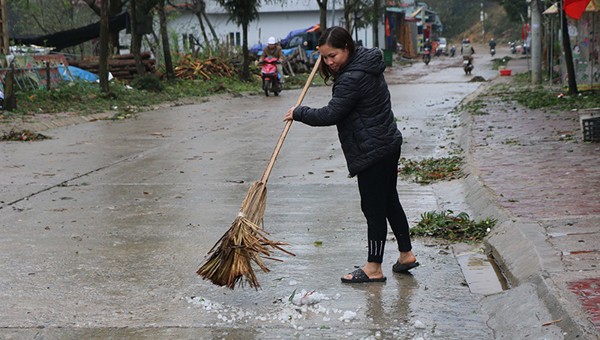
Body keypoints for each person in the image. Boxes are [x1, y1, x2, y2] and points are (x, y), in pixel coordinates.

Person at [284, 26, 419, 284]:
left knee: (374, 208)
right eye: (324, 57)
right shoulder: (366, 63)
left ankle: (374, 267)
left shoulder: (352, 78)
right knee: (389, 201)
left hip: (372, 150)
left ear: (347, 48)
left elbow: (330, 114)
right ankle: (406, 255)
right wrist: (328, 60)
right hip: (387, 143)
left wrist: (299, 112)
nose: (328, 62)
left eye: (332, 55)